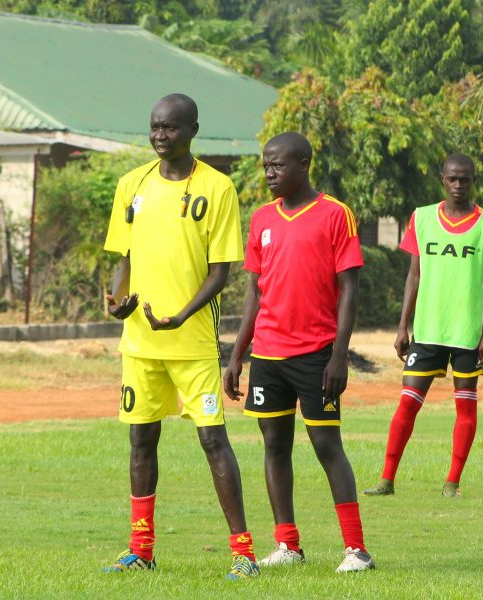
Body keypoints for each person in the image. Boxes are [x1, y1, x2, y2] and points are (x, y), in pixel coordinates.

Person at [101, 93, 260, 579]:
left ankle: (243, 554)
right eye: (154, 127)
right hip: (141, 345)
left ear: (192, 129)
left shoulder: (218, 188)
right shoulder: (132, 185)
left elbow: (221, 272)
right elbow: (123, 259)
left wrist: (179, 316)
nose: (159, 136)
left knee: (213, 441)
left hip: (191, 346)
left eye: (169, 128)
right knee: (141, 441)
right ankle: (141, 549)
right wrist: (115, 301)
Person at [222, 132, 375, 573]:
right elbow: (254, 292)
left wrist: (339, 354)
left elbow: (350, 289)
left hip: (316, 355)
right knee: (274, 446)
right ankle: (288, 544)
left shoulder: (335, 215)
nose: (269, 173)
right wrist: (237, 356)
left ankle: (356, 549)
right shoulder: (262, 219)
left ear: (304, 164)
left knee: (327, 445)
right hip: (268, 355)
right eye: (266, 165)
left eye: (278, 165)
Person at [362, 154, 483, 499]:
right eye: (453, 179)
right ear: (442, 178)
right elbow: (413, 275)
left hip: (467, 332)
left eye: (465, 180)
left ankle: (452, 483)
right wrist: (402, 326)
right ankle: (386, 480)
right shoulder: (422, 218)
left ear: (474, 180)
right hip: (427, 330)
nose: (459, 185)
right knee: (408, 403)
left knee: (466, 406)